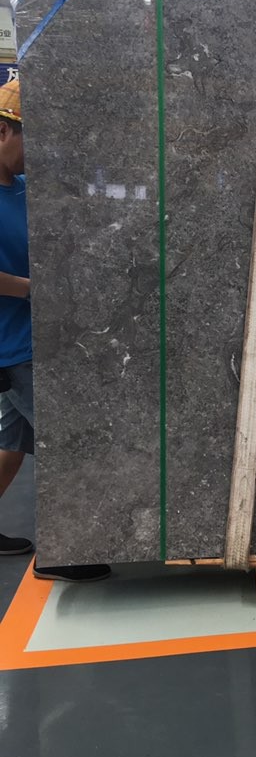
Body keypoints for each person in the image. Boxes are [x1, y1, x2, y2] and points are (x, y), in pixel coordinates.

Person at [0, 77, 109, 582]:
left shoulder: (22, 189)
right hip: (14, 347)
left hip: (33, 337)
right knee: (68, 443)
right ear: (4, 132)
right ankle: (62, 553)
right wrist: (34, 289)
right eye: (32, 140)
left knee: (13, 443)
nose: (37, 155)